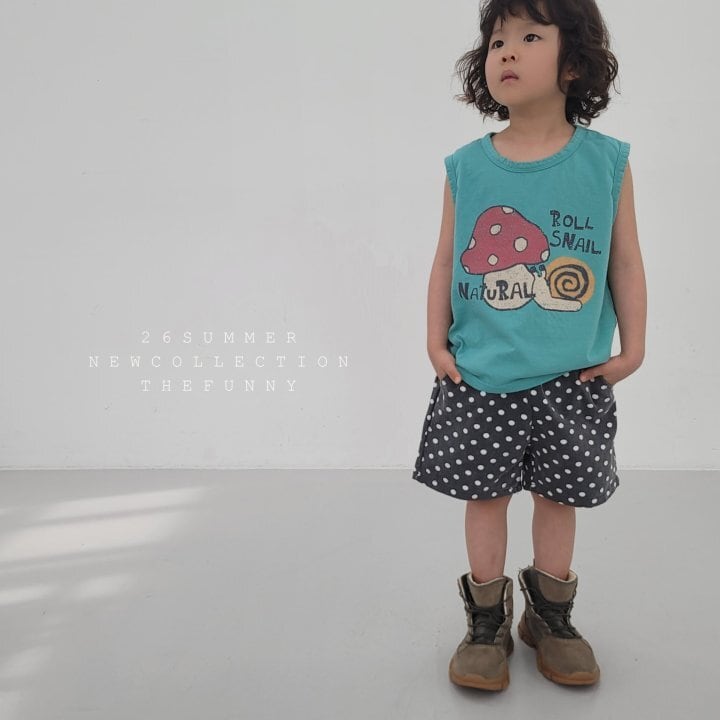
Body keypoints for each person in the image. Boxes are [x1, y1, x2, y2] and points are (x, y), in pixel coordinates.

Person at [411, 0, 646, 691]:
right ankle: (486, 623)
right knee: (484, 498)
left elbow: (625, 262)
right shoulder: (467, 167)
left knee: (558, 498)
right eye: (496, 41)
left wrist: (633, 348)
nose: (506, 51)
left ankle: (550, 618)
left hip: (574, 377)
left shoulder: (607, 163)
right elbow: (445, 259)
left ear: (573, 63)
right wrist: (435, 342)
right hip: (481, 376)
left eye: (530, 36)